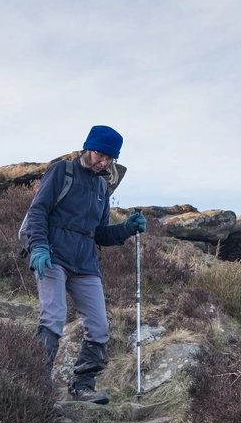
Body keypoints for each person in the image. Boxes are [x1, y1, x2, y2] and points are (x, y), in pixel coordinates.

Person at [19, 125, 146, 403]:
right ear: (88, 147)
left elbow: (99, 233)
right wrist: (39, 246)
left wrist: (126, 228)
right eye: (100, 155)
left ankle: (82, 386)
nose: (104, 162)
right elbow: (38, 210)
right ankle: (36, 385)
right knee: (53, 318)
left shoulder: (102, 186)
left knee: (99, 326)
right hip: (52, 256)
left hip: (86, 264)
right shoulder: (62, 171)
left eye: (110, 158)